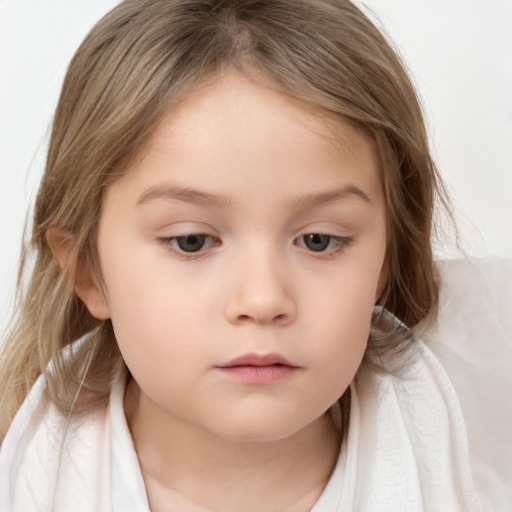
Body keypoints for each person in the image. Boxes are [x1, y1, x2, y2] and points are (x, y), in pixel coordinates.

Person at [0, 0, 510, 510]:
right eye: (192, 241)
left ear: (385, 263)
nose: (263, 299)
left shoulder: (485, 446)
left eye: (319, 240)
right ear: (88, 271)